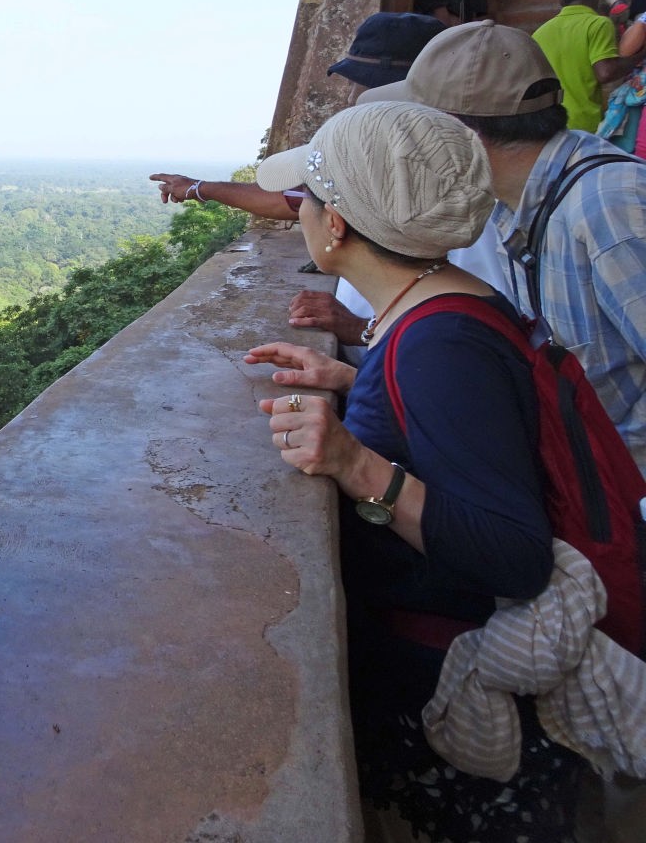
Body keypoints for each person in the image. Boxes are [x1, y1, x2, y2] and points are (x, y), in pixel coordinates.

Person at [246, 100, 585, 840]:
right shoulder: (444, 304)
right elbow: (460, 428)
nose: (300, 214)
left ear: (337, 225)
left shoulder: (441, 343)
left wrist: (354, 462)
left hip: (457, 695)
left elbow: (515, 555)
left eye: (306, 200)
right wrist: (356, 380)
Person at [360, 19, 646, 472]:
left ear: (462, 137)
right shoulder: (512, 201)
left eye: (415, 131)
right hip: (587, 477)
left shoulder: (608, 206)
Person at [150, 12, 508, 352]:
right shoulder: (410, 173)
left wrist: (363, 329)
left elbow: (459, 332)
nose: (352, 99)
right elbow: (293, 197)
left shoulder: (453, 197)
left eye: (366, 89)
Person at [532, 0, 642, 131]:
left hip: (548, 124)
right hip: (584, 124)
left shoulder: (539, 34)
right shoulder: (598, 24)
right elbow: (606, 72)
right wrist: (640, 56)